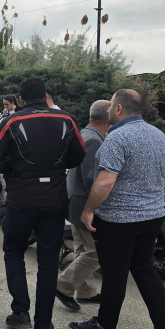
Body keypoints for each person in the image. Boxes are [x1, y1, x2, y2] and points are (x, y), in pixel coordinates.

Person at [70, 89, 165, 329]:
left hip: (119, 219)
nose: (108, 111)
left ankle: (104, 326)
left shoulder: (117, 137)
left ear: (119, 108)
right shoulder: (158, 135)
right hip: (152, 215)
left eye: (110, 106)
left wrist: (88, 210)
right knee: (145, 270)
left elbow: (105, 181)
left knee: (114, 274)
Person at [0, 77, 85, 329]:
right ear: (46, 95)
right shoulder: (67, 119)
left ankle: (20, 311)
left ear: (21, 99)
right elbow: (78, 155)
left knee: (13, 251)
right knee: (48, 262)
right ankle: (43, 325)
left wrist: (14, 169)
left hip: (21, 197)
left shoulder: (12, 121)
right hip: (54, 196)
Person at [55, 99, 110, 312]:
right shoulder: (94, 140)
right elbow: (91, 180)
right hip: (84, 204)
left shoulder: (85, 134)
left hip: (76, 201)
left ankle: (86, 291)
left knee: (82, 249)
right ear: (107, 116)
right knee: (97, 252)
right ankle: (62, 285)